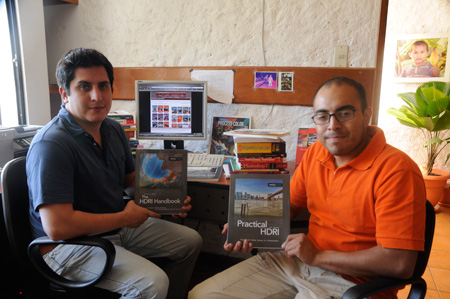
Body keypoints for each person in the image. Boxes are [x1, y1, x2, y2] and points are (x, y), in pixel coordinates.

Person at [189, 77, 426, 299]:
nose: (333, 125)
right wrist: (249, 225)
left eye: (345, 113)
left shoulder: (397, 170)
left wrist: (318, 256)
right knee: (202, 295)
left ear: (366, 114)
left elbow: (399, 263)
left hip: (354, 284)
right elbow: (290, 204)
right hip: (297, 263)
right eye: (323, 116)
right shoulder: (316, 153)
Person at [27, 47, 202, 299]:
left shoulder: (113, 129)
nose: (97, 96)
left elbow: (130, 183)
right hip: (65, 247)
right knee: (152, 283)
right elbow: (57, 227)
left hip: (112, 226)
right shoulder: (52, 144)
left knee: (190, 242)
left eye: (103, 86)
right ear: (65, 94)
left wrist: (163, 200)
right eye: (84, 87)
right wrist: (123, 218)